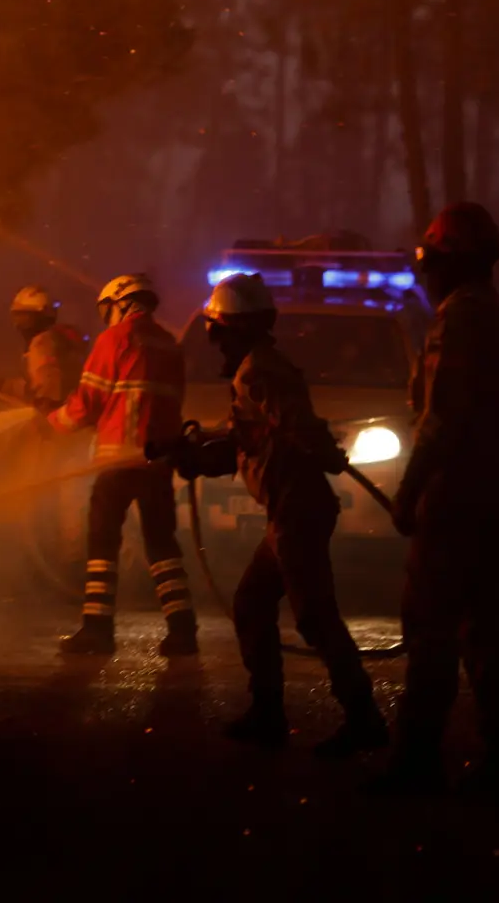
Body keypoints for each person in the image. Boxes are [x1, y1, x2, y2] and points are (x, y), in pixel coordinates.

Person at [165, 274, 388, 756]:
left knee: (315, 617)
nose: (214, 343)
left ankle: (363, 717)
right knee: (251, 604)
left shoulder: (257, 372)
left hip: (296, 511)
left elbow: (294, 424)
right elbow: (250, 442)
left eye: (216, 332)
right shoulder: (256, 368)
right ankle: (267, 713)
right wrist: (195, 456)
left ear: (234, 328)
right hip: (290, 511)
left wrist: (322, 448)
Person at [370, 203, 499, 798]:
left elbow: (443, 419)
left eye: (431, 262)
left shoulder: (457, 320)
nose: (425, 274)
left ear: (448, 264)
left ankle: (416, 764)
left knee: (431, 631)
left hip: (457, 504)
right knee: (489, 636)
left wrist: (410, 491)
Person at [47, 273, 195, 657]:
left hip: (118, 461)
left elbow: (88, 401)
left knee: (102, 544)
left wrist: (52, 424)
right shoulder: (169, 345)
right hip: (157, 462)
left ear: (120, 304)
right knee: (162, 544)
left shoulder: (115, 339)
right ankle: (183, 631)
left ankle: (97, 629)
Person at [3, 285, 88, 411]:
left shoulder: (43, 343)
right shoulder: (62, 340)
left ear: (42, 316)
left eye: (24, 317)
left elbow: (48, 393)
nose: (18, 324)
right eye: (17, 316)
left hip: (53, 419)